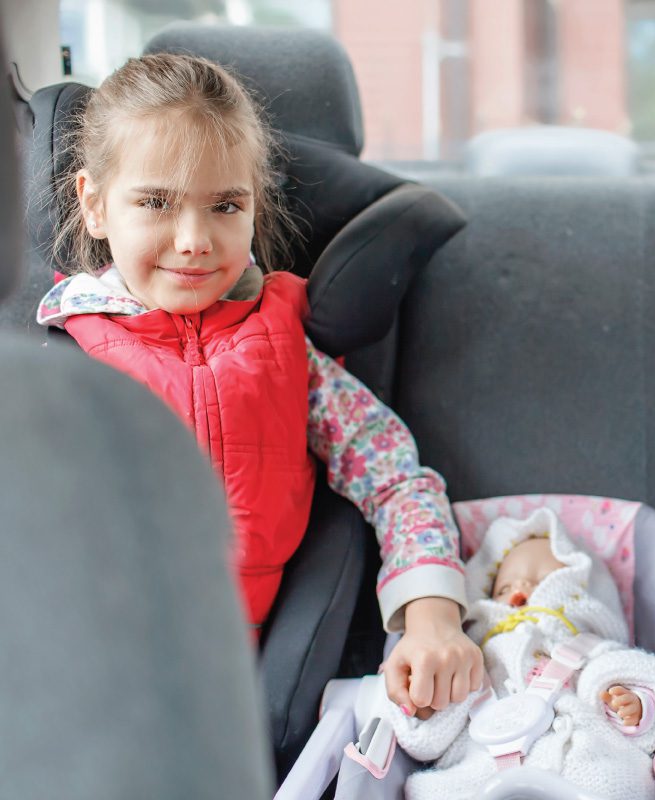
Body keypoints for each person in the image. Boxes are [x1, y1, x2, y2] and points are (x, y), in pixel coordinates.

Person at [35, 52, 481, 716]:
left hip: (247, 678)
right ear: (94, 204)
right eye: (155, 202)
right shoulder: (59, 358)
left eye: (224, 206)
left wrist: (431, 613)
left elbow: (395, 478)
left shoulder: (289, 354)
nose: (194, 239)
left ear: (253, 208)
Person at [390, 507, 655, 800]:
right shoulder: (471, 655)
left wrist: (630, 703)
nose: (520, 590)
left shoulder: (588, 647)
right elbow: (428, 739)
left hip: (575, 753)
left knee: (613, 780)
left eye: (542, 580)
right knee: (434, 790)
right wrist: (428, 703)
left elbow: (634, 672)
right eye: (504, 587)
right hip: (480, 766)